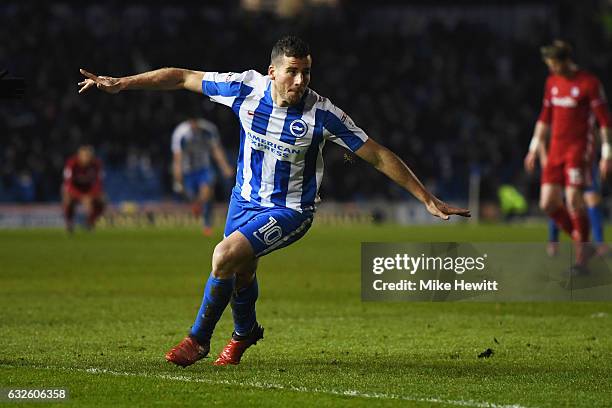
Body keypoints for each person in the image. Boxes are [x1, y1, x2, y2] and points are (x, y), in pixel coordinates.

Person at [78, 35, 470, 367]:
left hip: (291, 210)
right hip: (243, 200)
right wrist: (122, 83)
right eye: (292, 72)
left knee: (224, 256)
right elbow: (182, 77)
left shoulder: (323, 114)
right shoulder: (245, 88)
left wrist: (426, 197)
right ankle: (246, 332)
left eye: (307, 73)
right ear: (273, 72)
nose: (300, 80)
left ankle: (198, 339)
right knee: (242, 271)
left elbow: (379, 154)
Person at [524, 40, 611, 273]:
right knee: (547, 203)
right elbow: (544, 117)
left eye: (553, 63)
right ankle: (581, 240)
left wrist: (607, 154)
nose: (551, 68)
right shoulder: (551, 82)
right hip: (555, 150)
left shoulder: (589, 83)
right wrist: (534, 147)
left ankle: (581, 258)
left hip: (579, 150)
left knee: (574, 199)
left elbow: (604, 121)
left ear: (564, 60)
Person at [544, 124, 608, 257]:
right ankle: (554, 240)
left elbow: (600, 132)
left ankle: (599, 243)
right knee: (558, 202)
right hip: (565, 163)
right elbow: (545, 135)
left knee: (593, 200)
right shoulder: (559, 113)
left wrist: (604, 155)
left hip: (586, 164)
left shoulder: (589, 112)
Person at [172, 118, 234, 236]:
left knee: (207, 194)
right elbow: (177, 158)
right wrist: (177, 178)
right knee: (193, 197)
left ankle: (207, 224)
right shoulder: (180, 133)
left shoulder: (208, 130)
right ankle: (197, 205)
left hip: (204, 168)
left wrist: (225, 167)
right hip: (188, 170)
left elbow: (216, 150)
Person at [62, 145, 105, 232]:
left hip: (89, 190)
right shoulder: (71, 163)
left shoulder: (97, 164)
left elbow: (99, 183)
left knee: (103, 200)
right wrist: (82, 197)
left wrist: (91, 196)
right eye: (84, 155)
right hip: (74, 189)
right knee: (67, 199)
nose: (86, 158)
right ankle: (69, 223)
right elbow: (68, 184)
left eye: (88, 156)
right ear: (79, 156)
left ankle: (90, 223)